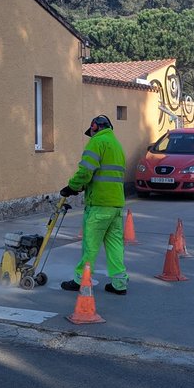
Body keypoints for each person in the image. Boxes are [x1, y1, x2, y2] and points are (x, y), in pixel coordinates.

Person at [59, 114, 128, 295]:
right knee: (115, 245)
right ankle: (119, 283)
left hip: (99, 204)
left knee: (90, 245)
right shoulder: (117, 145)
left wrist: (72, 187)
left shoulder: (97, 142)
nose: (90, 135)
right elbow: (105, 174)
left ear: (95, 127)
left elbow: (85, 172)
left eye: (91, 131)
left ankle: (81, 280)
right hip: (116, 205)